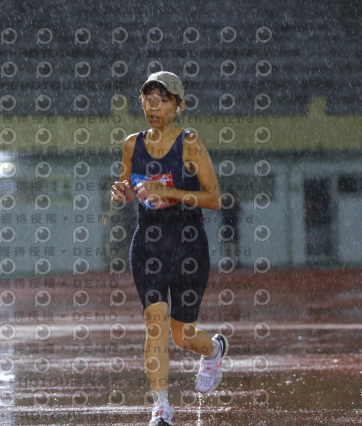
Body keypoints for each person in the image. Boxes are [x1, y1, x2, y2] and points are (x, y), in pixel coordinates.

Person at [110, 71, 228, 426]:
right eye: (148, 100)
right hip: (148, 244)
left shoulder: (189, 143)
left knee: (182, 335)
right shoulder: (132, 144)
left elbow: (214, 198)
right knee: (155, 325)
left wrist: (170, 192)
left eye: (162, 100)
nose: (153, 107)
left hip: (188, 245)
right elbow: (126, 186)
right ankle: (161, 407)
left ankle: (214, 350)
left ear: (179, 105)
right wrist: (121, 193)